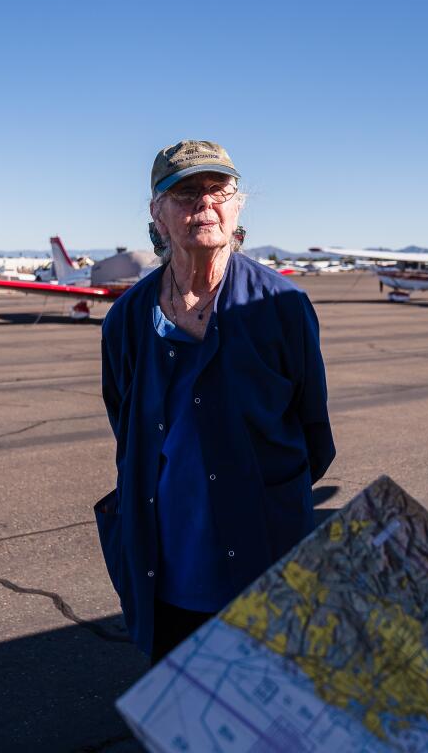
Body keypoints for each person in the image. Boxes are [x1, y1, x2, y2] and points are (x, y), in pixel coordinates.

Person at [95, 140, 336, 662]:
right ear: (156, 215)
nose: (205, 204)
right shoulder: (128, 320)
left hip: (264, 555)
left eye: (218, 190)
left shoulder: (282, 306)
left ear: (237, 206)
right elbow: (127, 429)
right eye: (184, 194)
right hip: (168, 567)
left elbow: (314, 433)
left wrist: (261, 493)